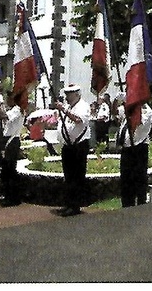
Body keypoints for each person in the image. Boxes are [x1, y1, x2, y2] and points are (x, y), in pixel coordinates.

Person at [53, 84, 91, 216]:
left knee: (77, 176)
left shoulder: (83, 106)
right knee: (68, 176)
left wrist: (63, 110)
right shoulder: (69, 107)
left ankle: (75, 206)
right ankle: (68, 203)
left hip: (79, 145)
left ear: (77, 94)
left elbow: (78, 120)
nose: (67, 97)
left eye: (69, 94)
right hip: (68, 145)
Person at [117, 101, 152, 207]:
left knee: (139, 181)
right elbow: (117, 114)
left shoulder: (146, 111)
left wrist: (133, 109)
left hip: (138, 148)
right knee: (125, 182)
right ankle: (126, 207)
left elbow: (138, 123)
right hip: (126, 149)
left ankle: (140, 207)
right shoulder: (129, 108)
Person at [0, 94, 25, 207]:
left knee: (10, 169)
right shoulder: (14, 109)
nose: (7, 100)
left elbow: (4, 116)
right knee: (6, 169)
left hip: (13, 140)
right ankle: (7, 194)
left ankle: (13, 197)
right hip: (8, 140)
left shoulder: (17, 110)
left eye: (9, 98)